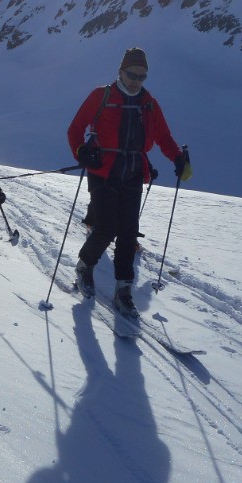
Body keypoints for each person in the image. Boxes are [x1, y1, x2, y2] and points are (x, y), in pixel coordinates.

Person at [66, 47, 191, 318]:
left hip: (133, 171)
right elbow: (75, 129)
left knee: (128, 233)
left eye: (142, 76)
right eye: (132, 74)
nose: (136, 80)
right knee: (106, 227)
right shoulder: (102, 96)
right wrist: (82, 152)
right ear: (121, 71)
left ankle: (123, 290)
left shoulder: (149, 103)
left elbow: (163, 137)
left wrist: (177, 158)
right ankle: (85, 266)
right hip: (103, 171)